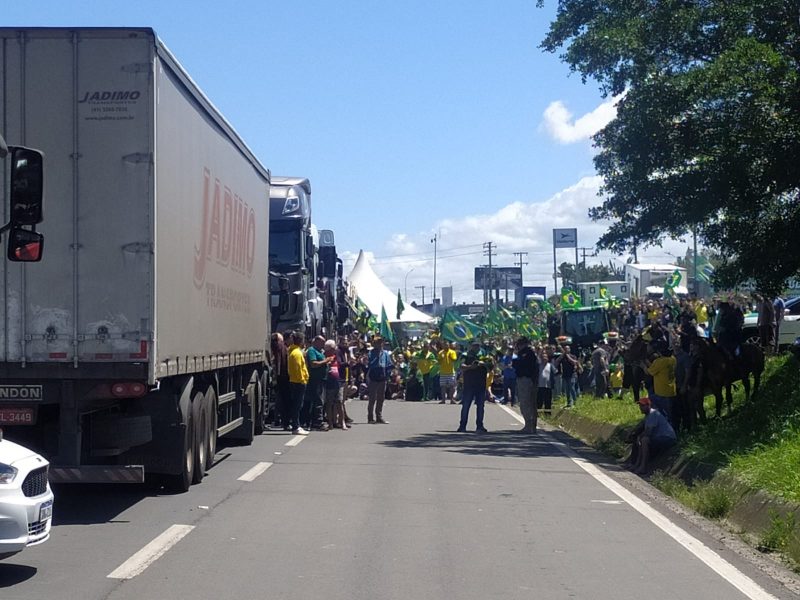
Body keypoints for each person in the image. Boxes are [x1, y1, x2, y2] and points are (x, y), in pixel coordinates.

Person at [624, 397, 677, 474]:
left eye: (643, 406)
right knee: (639, 439)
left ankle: (643, 467)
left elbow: (648, 432)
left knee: (644, 440)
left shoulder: (653, 414)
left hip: (667, 438)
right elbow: (640, 425)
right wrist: (631, 433)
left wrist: (639, 437)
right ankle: (635, 464)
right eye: (640, 406)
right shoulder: (648, 416)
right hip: (659, 438)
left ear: (648, 405)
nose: (641, 408)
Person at [457, 341, 489, 433]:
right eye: (474, 345)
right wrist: (471, 367)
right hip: (469, 383)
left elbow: (491, 366)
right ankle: (462, 426)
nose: (476, 347)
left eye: (478, 345)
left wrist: (484, 364)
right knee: (466, 405)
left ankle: (480, 426)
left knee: (480, 406)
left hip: (481, 383)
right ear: (471, 346)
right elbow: (461, 366)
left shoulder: (484, 353)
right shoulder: (465, 354)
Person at [303, 335, 332, 431]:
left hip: (321, 380)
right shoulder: (312, 350)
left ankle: (313, 421)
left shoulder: (320, 352)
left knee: (319, 401)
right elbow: (313, 364)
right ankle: (317, 423)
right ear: (316, 341)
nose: (323, 344)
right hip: (315, 380)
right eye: (322, 342)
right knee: (318, 401)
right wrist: (325, 361)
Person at [645, 341, 677, 426]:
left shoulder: (659, 361)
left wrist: (643, 366)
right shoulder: (673, 359)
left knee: (662, 412)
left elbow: (650, 372)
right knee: (671, 412)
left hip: (661, 391)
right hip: (671, 389)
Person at [513, 336, 538, 433]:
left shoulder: (527, 353)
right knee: (527, 403)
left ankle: (530, 425)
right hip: (526, 379)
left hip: (526, 379)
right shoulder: (526, 353)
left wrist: (515, 359)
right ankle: (530, 425)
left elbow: (520, 364)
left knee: (526, 403)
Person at [287, 332, 309, 435]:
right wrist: (302, 379)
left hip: (295, 381)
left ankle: (296, 425)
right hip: (298, 382)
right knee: (297, 405)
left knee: (296, 405)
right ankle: (296, 426)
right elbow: (297, 369)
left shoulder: (294, 352)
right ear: (300, 341)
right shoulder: (297, 353)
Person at [366, 337, 393, 423]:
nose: (380, 344)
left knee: (381, 398)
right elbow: (370, 364)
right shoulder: (371, 353)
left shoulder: (385, 353)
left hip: (383, 377)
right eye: (378, 343)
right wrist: (377, 358)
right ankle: (370, 417)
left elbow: (389, 364)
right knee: (372, 398)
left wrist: (390, 370)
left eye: (381, 342)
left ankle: (379, 416)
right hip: (374, 376)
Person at [323, 340, 347, 430]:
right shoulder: (324, 356)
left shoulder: (336, 356)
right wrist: (327, 363)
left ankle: (342, 422)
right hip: (329, 383)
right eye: (333, 349)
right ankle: (330, 423)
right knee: (329, 403)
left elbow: (340, 365)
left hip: (338, 381)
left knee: (339, 402)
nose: (335, 350)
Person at [270, 332, 291, 430]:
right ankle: (283, 421)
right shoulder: (281, 349)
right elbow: (278, 365)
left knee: (281, 401)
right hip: (282, 379)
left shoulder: (283, 349)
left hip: (282, 379)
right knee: (283, 401)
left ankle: (281, 420)